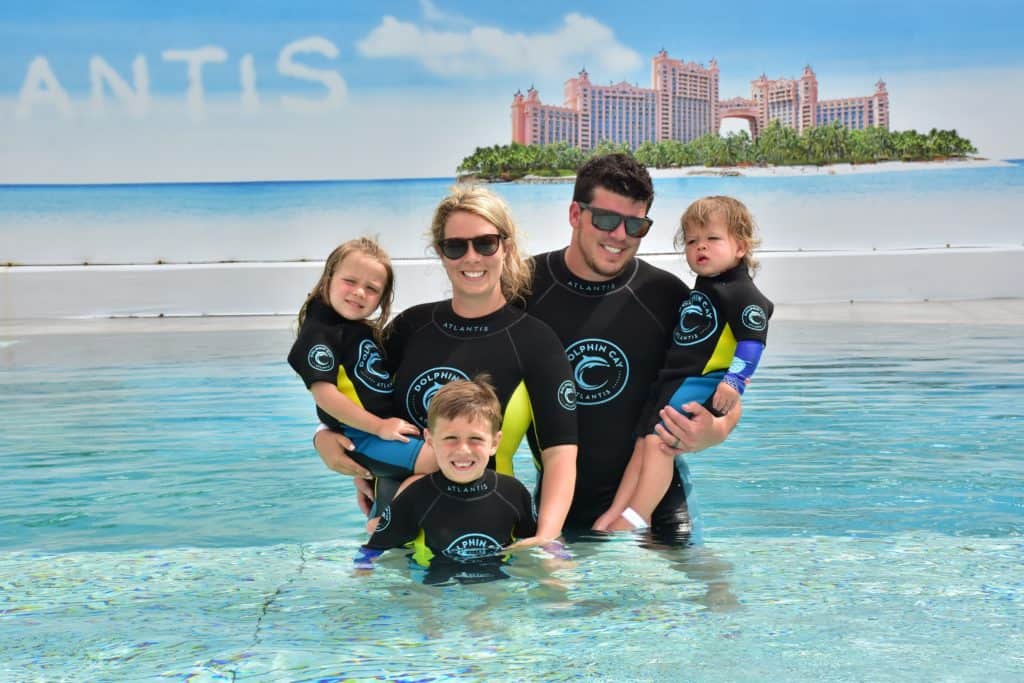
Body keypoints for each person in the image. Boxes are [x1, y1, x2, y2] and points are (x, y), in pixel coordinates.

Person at [315, 186, 577, 545]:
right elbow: (351, 396)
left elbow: (560, 453)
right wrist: (324, 439)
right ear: (440, 253)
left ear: (507, 247)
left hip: (488, 537)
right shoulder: (408, 329)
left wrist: (546, 536)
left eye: (485, 243)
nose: (471, 257)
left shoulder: (535, 341)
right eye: (456, 246)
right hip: (394, 536)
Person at [524, 153, 741, 540]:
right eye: (606, 219)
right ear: (575, 214)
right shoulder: (525, 288)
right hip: (559, 507)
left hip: (658, 506)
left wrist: (716, 430)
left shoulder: (667, 296)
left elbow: (718, 379)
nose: (620, 235)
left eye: (635, 224)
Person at [594, 195, 773, 531]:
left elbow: (752, 342)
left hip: (704, 383)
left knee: (661, 444)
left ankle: (636, 518)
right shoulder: (705, 289)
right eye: (692, 241)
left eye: (712, 239)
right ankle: (614, 515)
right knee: (643, 442)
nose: (700, 247)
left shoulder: (742, 294)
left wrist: (734, 382)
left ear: (740, 247)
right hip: (675, 381)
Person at [355, 377, 537, 584]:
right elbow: (373, 548)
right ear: (430, 440)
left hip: (497, 587)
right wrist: (362, 576)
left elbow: (537, 542)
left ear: (495, 442)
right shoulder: (415, 497)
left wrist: (560, 565)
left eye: (475, 439)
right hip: (434, 588)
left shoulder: (512, 492)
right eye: (450, 439)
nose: (462, 450)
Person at [288, 237, 436, 478]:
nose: (359, 292)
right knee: (437, 462)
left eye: (372, 288)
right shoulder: (319, 334)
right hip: (361, 436)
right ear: (328, 280)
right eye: (349, 281)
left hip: (384, 430)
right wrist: (379, 427)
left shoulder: (358, 330)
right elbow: (324, 395)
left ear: (382, 299)